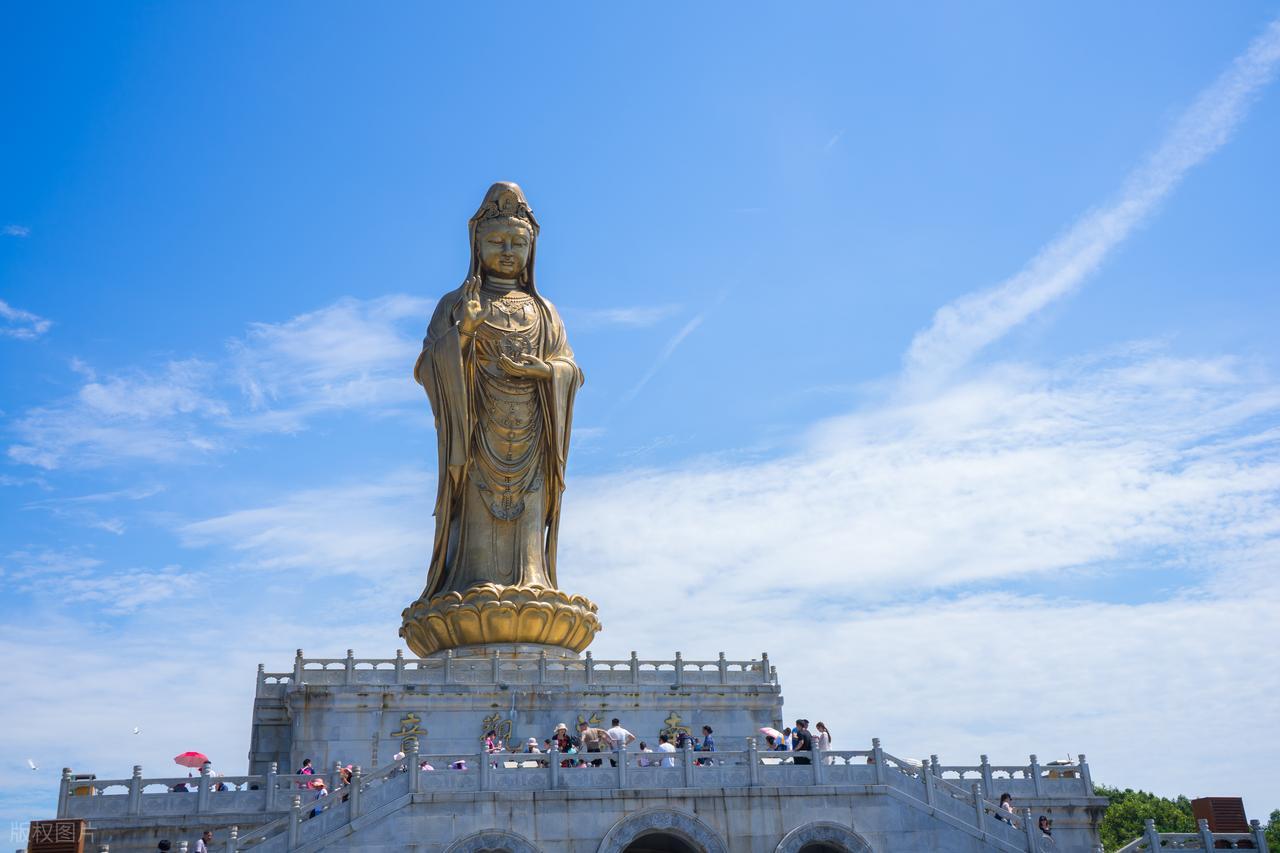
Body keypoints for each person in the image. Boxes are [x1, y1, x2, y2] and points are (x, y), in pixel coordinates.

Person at [410, 182, 583, 606]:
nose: (508, 251)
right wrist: (463, 332)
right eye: (497, 241)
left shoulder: (544, 311)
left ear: (531, 250)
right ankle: (469, 581)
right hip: (475, 436)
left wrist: (546, 371)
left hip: (533, 437)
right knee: (476, 511)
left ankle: (533, 578)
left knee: (530, 509)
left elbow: (571, 370)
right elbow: (427, 366)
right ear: (477, 245)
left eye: (518, 243)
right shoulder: (457, 303)